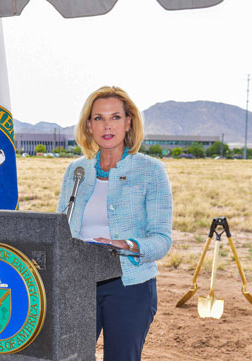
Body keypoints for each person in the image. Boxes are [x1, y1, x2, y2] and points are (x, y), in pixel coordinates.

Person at [57, 86, 172, 361]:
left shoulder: (151, 171)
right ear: (88, 125)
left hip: (129, 286)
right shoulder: (76, 171)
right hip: (79, 284)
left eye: (115, 117)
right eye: (98, 118)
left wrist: (128, 244)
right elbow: (61, 228)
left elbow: (162, 240)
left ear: (129, 122)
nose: (107, 125)